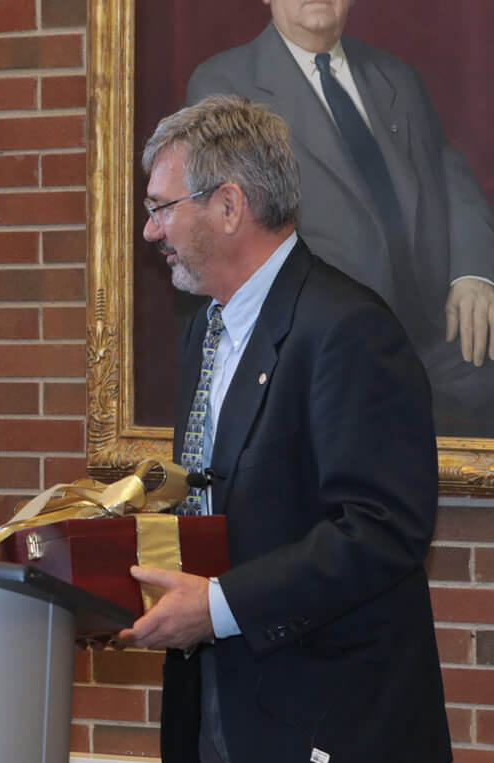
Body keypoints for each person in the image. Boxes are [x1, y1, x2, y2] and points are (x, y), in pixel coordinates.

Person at [121, 95, 452, 763]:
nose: (152, 232)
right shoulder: (208, 333)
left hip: (329, 730)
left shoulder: (349, 330)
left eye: (161, 207)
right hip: (233, 721)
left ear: (229, 206)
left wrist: (218, 603)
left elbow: (382, 529)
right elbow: (223, 500)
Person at [186, 0, 494, 437]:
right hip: (320, 348)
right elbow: (235, 237)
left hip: (434, 332)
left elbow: (448, 173)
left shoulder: (397, 78)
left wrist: (474, 273)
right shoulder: (226, 87)